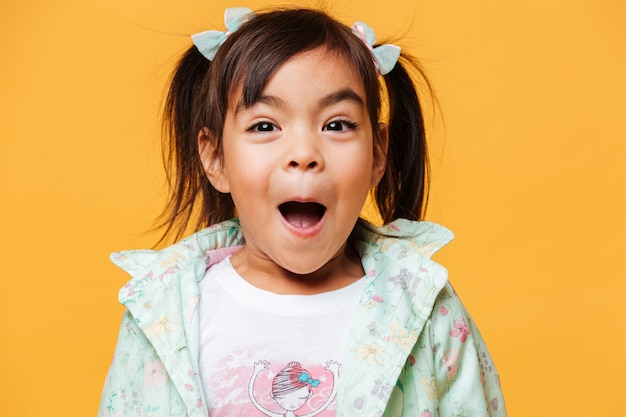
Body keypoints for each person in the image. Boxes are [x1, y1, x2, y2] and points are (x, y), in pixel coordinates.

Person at [98, 6, 506, 417]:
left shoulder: (425, 310)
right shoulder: (162, 315)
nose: (304, 154)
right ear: (216, 157)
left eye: (336, 125)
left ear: (378, 154)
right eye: (264, 126)